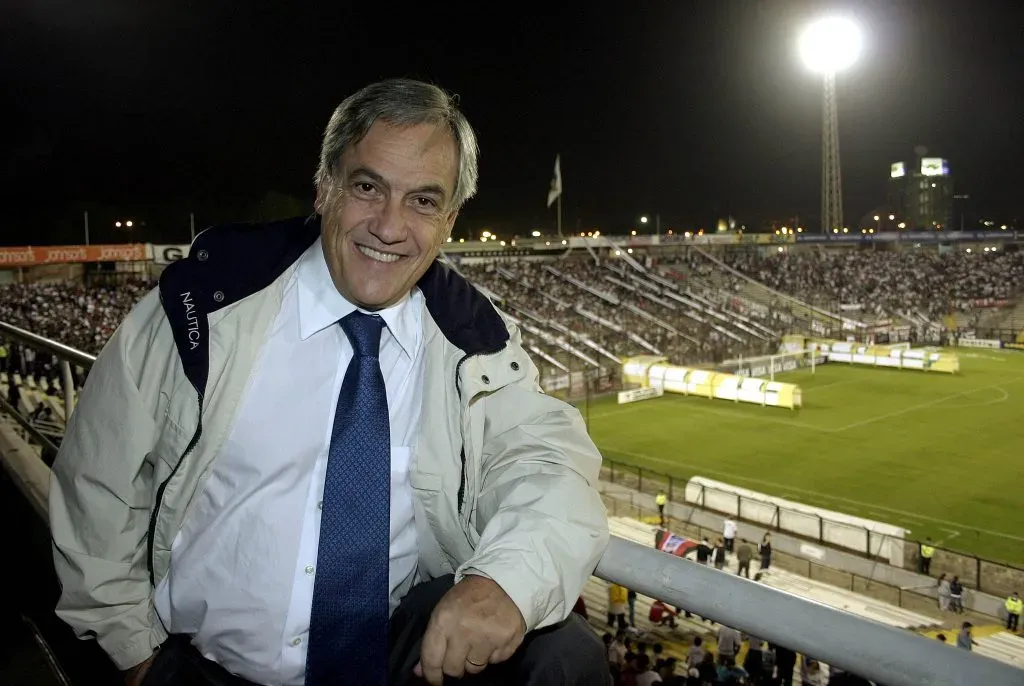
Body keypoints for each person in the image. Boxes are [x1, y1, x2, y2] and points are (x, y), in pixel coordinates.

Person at [49, 79, 610, 686]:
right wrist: (137, 657)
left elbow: (550, 466)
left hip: (391, 660)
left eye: (423, 201)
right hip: (200, 669)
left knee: (566, 655)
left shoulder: (474, 337)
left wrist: (506, 582)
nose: (390, 227)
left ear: (449, 220)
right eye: (369, 187)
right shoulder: (201, 309)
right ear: (325, 188)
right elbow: (96, 484)